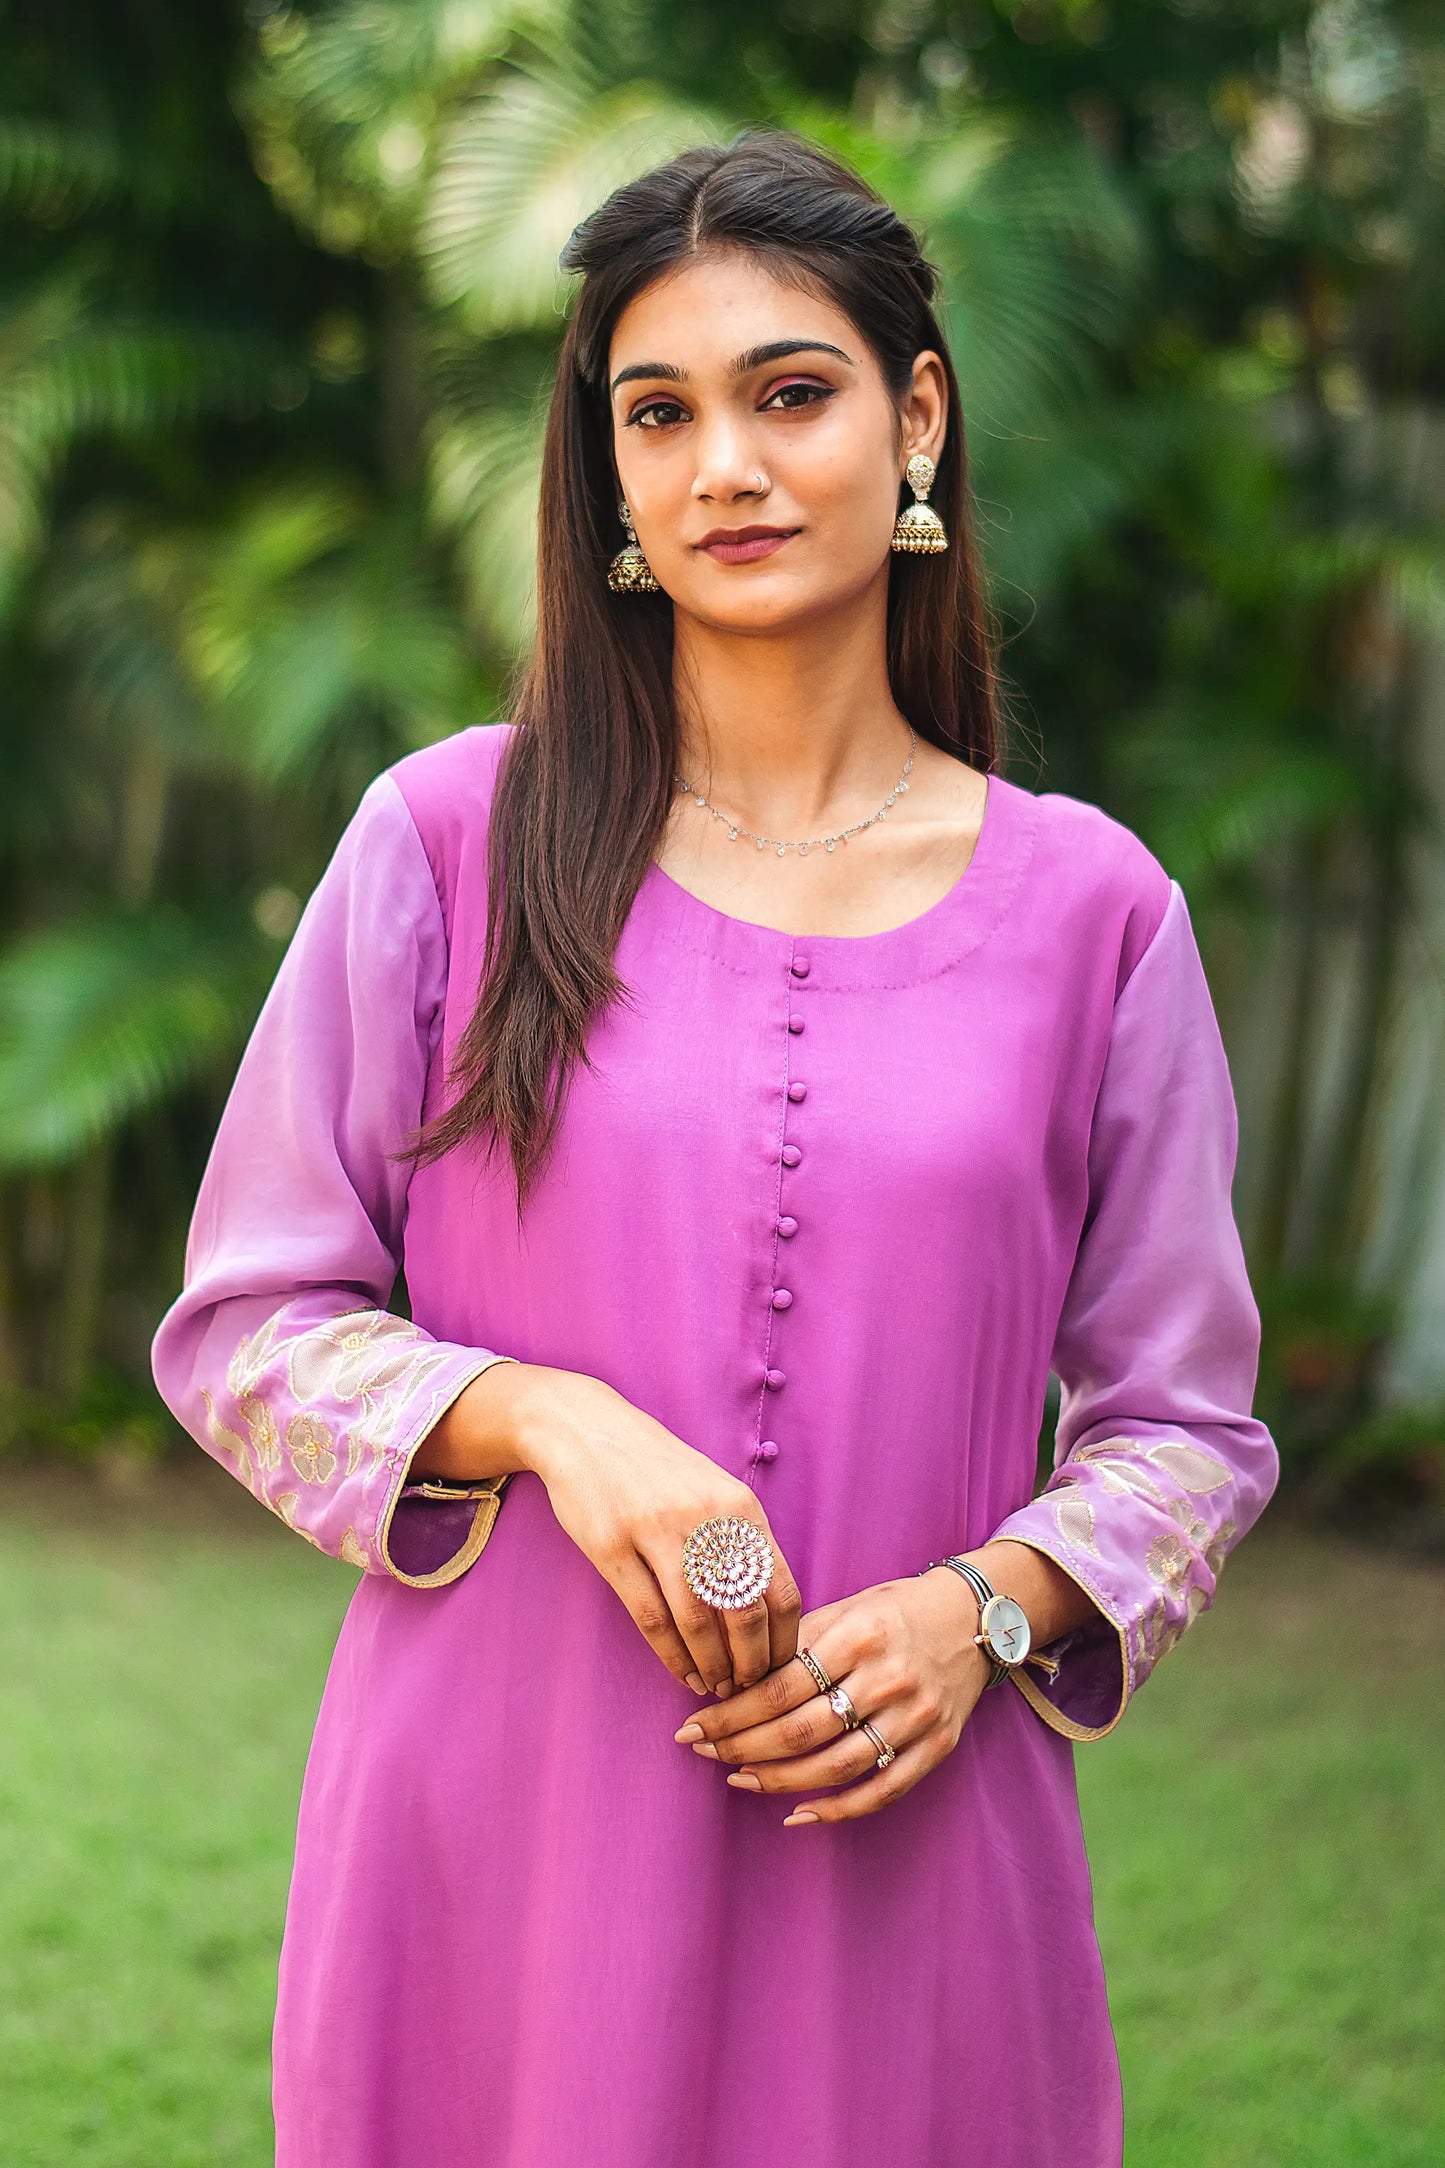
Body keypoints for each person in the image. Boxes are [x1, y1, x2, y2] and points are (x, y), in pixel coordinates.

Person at [151, 129, 1279, 2168]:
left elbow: (1189, 1428)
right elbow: (244, 1325)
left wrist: (991, 1607)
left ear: (915, 412)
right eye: (656, 414)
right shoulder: (449, 843)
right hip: (492, 1850)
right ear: (608, 472)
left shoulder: (1097, 917)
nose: (722, 469)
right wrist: (552, 1419)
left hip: (911, 1857)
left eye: (790, 393)